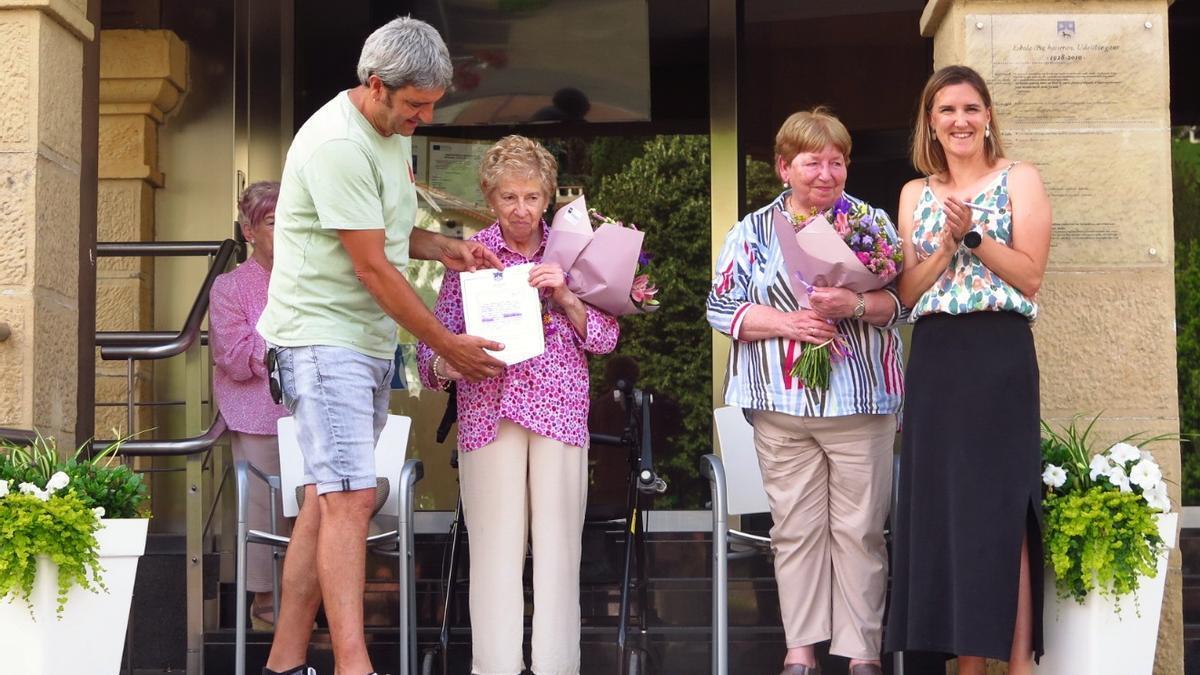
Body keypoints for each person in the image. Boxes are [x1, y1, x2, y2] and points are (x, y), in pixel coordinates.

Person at [255, 17, 507, 675]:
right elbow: (372, 268)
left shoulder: (388, 134)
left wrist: (443, 246)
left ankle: (284, 663)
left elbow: (385, 235)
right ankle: (352, 665)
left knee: (325, 496)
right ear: (376, 85)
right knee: (350, 497)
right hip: (321, 339)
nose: (424, 117)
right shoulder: (338, 143)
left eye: (432, 104)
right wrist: (447, 343)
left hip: (358, 341)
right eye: (416, 104)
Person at [706, 108, 906, 675]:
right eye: (812, 161)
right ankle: (801, 649)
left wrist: (857, 305)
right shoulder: (749, 231)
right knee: (795, 530)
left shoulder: (873, 225)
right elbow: (721, 307)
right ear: (783, 167)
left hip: (860, 402)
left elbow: (906, 303)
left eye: (836, 161)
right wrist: (789, 323)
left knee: (861, 531)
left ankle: (861, 652)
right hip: (780, 405)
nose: (825, 172)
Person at [417, 135, 619, 675]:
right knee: (494, 557)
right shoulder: (469, 255)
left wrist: (568, 297)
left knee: (558, 556)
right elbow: (429, 348)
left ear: (549, 196)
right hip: (489, 412)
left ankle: (556, 668)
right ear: (490, 197)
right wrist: (447, 363)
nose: (522, 210)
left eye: (532, 197)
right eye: (509, 197)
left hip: (558, 410)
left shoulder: (572, 252)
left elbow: (604, 340)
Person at [883, 65, 1052, 675]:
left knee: (1001, 509)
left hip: (998, 355)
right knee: (944, 511)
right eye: (947, 110)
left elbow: (1031, 276)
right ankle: (967, 666)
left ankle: (1017, 664)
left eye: (971, 109)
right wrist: (945, 248)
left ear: (987, 117)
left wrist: (974, 235)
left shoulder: (1019, 179)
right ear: (931, 120)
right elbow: (905, 291)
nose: (960, 120)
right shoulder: (913, 194)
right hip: (934, 357)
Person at [210, 180, 290, 630]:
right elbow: (235, 357)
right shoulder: (230, 287)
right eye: (275, 223)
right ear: (249, 230)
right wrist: (282, 339)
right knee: (263, 509)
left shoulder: (312, 278)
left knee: (313, 510)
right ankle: (265, 604)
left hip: (313, 412)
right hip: (258, 413)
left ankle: (306, 600)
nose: (286, 232)